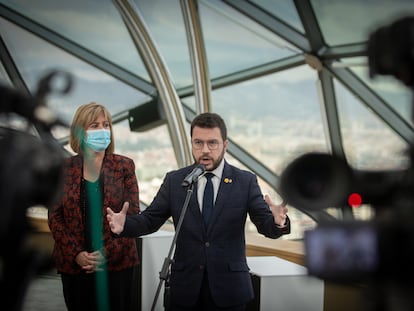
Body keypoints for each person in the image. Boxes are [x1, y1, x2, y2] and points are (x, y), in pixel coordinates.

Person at [107, 112, 290, 310]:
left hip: (230, 290)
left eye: (212, 143)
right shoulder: (176, 181)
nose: (205, 150)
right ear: (191, 144)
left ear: (225, 145)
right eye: (198, 143)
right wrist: (124, 225)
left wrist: (278, 222)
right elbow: (150, 220)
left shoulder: (245, 181)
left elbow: (265, 224)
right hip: (185, 289)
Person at [48, 102, 140, 311]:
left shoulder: (124, 166)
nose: (102, 130)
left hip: (117, 266)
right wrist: (77, 255)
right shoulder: (63, 169)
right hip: (75, 267)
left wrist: (106, 254)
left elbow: (133, 215)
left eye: (105, 125)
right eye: (94, 126)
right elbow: (55, 218)